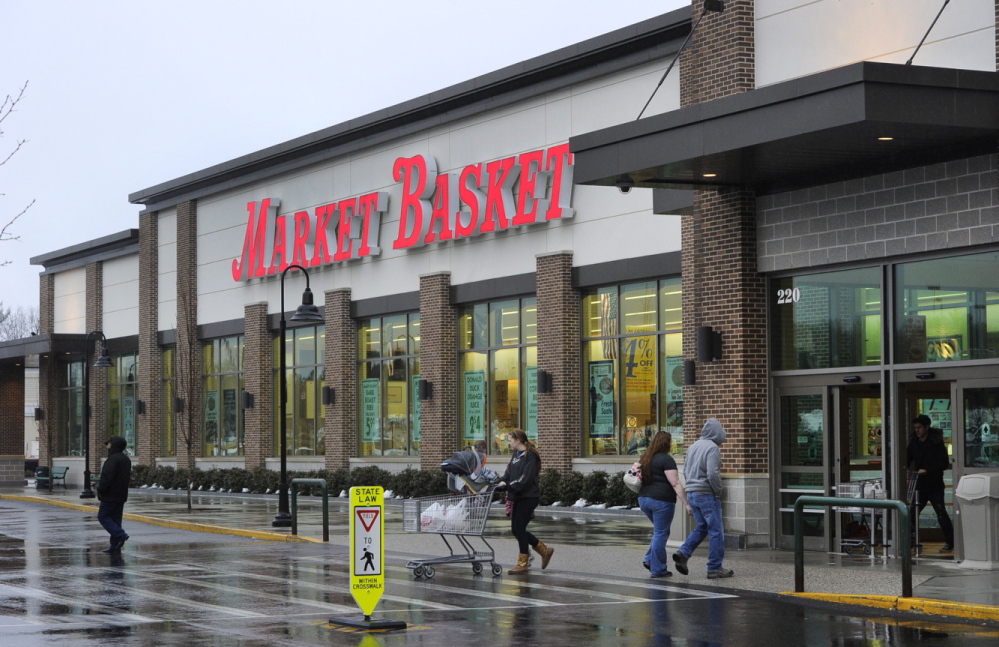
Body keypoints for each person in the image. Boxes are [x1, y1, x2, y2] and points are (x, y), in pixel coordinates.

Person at [672, 418, 733, 579]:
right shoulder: (712, 448)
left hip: (692, 492)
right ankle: (714, 567)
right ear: (716, 432)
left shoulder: (693, 447)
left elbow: (686, 470)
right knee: (716, 532)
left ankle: (683, 553)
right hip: (706, 494)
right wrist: (719, 490)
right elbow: (712, 473)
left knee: (702, 527)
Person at [497, 429, 554, 574]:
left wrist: (509, 486)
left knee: (519, 529)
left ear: (517, 440)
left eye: (510, 440)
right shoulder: (515, 456)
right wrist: (501, 481)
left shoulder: (531, 456)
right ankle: (544, 551)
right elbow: (508, 474)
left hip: (529, 497)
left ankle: (523, 563)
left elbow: (526, 478)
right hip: (518, 496)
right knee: (516, 529)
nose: (509, 443)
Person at [637, 431, 690, 578]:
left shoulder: (645, 458)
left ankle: (649, 559)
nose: (672, 444)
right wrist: (686, 503)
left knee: (660, 532)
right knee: (661, 533)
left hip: (644, 499)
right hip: (661, 501)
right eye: (670, 441)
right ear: (666, 443)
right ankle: (658, 569)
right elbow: (675, 483)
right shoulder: (666, 460)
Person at [907, 414, 954, 553]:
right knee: (911, 513)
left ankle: (950, 541)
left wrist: (928, 470)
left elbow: (944, 463)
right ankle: (911, 540)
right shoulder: (914, 442)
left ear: (926, 427)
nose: (917, 430)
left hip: (934, 484)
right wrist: (904, 471)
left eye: (919, 427)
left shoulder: (936, 443)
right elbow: (906, 458)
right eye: (915, 428)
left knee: (941, 512)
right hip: (920, 484)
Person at [96, 436, 131, 554]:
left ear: (113, 445)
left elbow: (107, 477)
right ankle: (115, 546)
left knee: (103, 517)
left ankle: (120, 535)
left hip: (110, 494)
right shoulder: (126, 459)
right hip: (121, 494)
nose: (107, 446)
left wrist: (101, 489)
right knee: (116, 520)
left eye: (109, 443)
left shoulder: (112, 459)